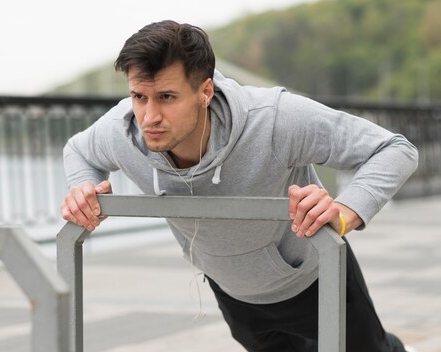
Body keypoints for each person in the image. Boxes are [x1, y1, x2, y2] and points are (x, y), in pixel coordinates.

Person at [61, 20, 418, 351]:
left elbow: (394, 149)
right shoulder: (121, 132)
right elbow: (79, 151)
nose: (149, 117)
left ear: (205, 91)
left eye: (167, 97)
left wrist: (345, 211)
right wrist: (83, 187)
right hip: (232, 291)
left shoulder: (274, 119)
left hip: (314, 279)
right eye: (139, 97)